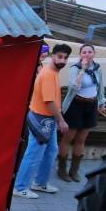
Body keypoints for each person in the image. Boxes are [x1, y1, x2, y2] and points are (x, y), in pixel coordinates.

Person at [13, 43, 71, 199]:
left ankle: (40, 183)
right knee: (33, 154)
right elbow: (49, 101)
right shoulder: (47, 74)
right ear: (53, 56)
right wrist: (61, 121)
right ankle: (20, 187)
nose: (63, 60)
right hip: (41, 120)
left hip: (48, 119)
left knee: (51, 151)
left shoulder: (52, 71)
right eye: (60, 56)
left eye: (65, 58)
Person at [57, 43, 106, 183]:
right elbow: (74, 86)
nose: (87, 54)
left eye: (89, 52)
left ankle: (74, 171)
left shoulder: (98, 69)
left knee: (81, 140)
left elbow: (100, 86)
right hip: (75, 105)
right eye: (84, 52)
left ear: (94, 54)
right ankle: (62, 170)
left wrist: (102, 102)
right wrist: (83, 69)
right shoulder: (75, 68)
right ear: (80, 55)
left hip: (90, 106)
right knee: (68, 138)